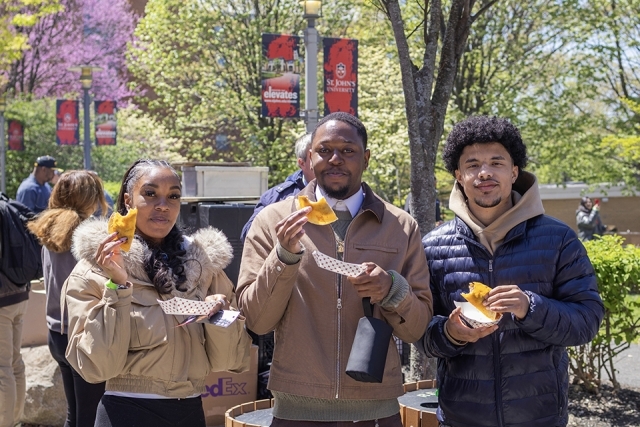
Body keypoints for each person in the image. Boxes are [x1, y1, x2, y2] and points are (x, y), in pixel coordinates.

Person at [237, 112, 433, 427]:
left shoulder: (400, 226)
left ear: (366, 158)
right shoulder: (272, 221)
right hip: (295, 412)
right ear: (309, 158)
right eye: (325, 150)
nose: (335, 159)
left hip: (377, 413)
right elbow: (258, 322)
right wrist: (284, 256)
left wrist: (392, 290)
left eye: (347, 150)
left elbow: (417, 328)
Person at [418, 116, 604, 427]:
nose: (485, 172)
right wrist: (451, 333)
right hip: (461, 418)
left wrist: (529, 307)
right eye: (473, 164)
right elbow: (421, 335)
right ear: (458, 175)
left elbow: (587, 321)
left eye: (496, 162)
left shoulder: (558, 239)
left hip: (540, 417)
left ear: (514, 171)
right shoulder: (433, 247)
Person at [63, 159, 252, 427]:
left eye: (173, 196)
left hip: (190, 410)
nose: (163, 204)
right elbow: (96, 367)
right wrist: (117, 286)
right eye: (150, 194)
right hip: (126, 412)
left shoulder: (203, 267)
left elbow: (232, 360)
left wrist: (218, 314)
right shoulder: (95, 269)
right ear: (128, 200)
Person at [27, 171, 109, 427]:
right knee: (90, 415)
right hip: (81, 335)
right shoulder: (87, 236)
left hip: (56, 335)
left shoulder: (49, 229)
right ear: (91, 197)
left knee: (74, 414)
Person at [241, 133, 315, 241]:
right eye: (315, 156)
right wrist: (281, 213)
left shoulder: (344, 192)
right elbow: (249, 235)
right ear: (301, 163)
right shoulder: (275, 197)